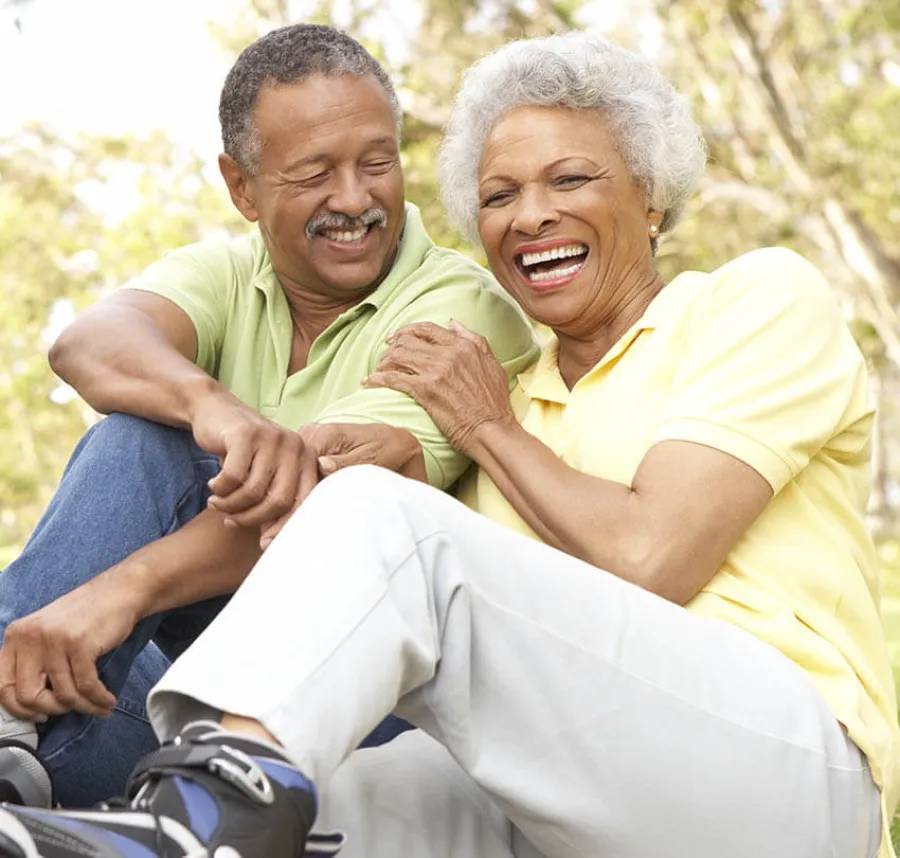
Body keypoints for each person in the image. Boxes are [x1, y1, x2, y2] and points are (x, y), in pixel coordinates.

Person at [2, 30, 897, 858]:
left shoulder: (750, 301)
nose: (531, 216)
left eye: (572, 181)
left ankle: (200, 808)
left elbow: (651, 558)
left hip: (779, 771)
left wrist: (484, 432)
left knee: (373, 519)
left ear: (652, 191)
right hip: (565, 791)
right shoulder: (497, 382)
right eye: (500, 196)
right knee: (336, 800)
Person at [0, 23, 537, 810]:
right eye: (313, 172)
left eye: (376, 162)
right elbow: (89, 344)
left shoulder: (461, 312)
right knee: (138, 438)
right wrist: (216, 410)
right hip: (189, 714)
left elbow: (326, 508)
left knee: (148, 453)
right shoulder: (227, 274)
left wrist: (120, 590)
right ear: (242, 186)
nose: (354, 199)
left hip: (365, 715)